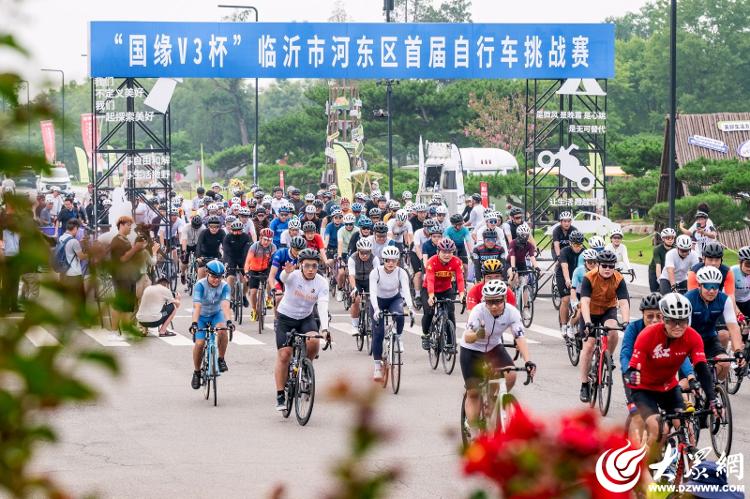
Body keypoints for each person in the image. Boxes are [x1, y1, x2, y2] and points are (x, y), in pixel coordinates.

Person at [625, 293, 718, 452]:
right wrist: (632, 373)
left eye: (682, 321)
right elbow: (633, 365)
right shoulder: (647, 335)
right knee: (660, 428)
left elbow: (701, 368)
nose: (677, 326)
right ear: (664, 319)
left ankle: (684, 463)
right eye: (672, 321)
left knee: (685, 427)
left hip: (669, 388)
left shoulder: (693, 337)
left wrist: (712, 399)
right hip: (644, 389)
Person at [461, 280, 536, 433]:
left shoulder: (512, 312)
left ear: (504, 299)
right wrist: (476, 335)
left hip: (493, 348)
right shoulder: (478, 311)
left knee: (510, 375)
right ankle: (472, 425)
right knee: (473, 392)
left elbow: (520, 337)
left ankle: (495, 400)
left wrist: (528, 361)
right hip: (471, 350)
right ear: (485, 301)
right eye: (489, 302)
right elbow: (467, 336)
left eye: (497, 301)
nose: (494, 306)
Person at [618, 292, 692, 443]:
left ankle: (666, 441)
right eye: (649, 316)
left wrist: (690, 375)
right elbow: (625, 353)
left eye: (659, 316)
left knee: (674, 416)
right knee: (643, 417)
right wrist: (628, 372)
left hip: (662, 378)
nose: (654, 320)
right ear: (642, 315)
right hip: (637, 376)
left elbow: (683, 357)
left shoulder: (669, 330)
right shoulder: (634, 328)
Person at [273, 248, 330, 411]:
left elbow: (323, 305)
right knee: (284, 355)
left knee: (314, 341)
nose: (311, 269)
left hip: (306, 318)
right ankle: (279, 395)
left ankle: (306, 367)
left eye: (314, 266)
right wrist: (286, 272)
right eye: (307, 266)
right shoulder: (293, 275)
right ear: (301, 265)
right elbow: (284, 278)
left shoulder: (321, 282)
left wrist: (325, 329)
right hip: (285, 318)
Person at [578, 250, 630, 403]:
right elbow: (585, 302)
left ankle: (608, 357)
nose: (608, 268)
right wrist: (587, 322)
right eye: (605, 265)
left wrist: (626, 321)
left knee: (613, 330)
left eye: (611, 266)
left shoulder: (619, 279)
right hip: (590, 312)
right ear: (598, 265)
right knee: (588, 346)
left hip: (608, 310)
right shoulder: (589, 278)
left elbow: (623, 302)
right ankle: (584, 384)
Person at [685, 266, 744, 381]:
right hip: (691, 341)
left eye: (715, 286)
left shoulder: (724, 299)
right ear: (700, 285)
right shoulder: (688, 299)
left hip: (710, 339)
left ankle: (714, 386)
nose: (711, 291)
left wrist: (737, 350)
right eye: (707, 286)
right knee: (687, 383)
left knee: (725, 364)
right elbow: (685, 330)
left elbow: (733, 327)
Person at [370, 246, 415, 381]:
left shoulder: (401, 272)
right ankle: (377, 367)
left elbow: (406, 290)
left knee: (400, 315)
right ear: (384, 260)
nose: (391, 264)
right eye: (388, 261)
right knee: (378, 333)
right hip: (378, 301)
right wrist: (376, 309)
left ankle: (398, 337)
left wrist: (411, 307)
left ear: (397, 261)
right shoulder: (375, 272)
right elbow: (372, 292)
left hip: (394, 299)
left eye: (394, 261)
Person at [189, 260, 234, 389]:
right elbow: (197, 306)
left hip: (216, 314)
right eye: (214, 277)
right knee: (199, 343)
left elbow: (225, 305)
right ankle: (197, 372)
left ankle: (221, 359)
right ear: (207, 274)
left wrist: (229, 321)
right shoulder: (200, 285)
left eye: (219, 277)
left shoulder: (225, 286)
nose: (216, 280)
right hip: (201, 315)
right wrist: (194, 323)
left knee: (222, 330)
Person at [421, 238, 465, 350]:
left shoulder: (456, 261)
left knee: (450, 313)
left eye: (450, 252)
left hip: (446, 289)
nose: (447, 255)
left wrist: (461, 294)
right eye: (444, 252)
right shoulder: (432, 261)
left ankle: (451, 342)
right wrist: (431, 296)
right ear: (438, 252)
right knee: (429, 312)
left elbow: (460, 279)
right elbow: (430, 280)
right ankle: (426, 335)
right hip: (430, 289)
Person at [109, 216, 148, 330]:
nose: (130, 227)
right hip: (121, 277)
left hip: (129, 277)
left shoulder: (125, 240)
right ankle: (114, 330)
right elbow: (122, 259)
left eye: (131, 225)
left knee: (128, 306)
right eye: (128, 225)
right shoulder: (117, 241)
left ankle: (125, 329)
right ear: (121, 225)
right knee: (120, 305)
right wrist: (136, 248)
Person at [347, 238, 380, 334]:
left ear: (370, 251)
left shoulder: (375, 259)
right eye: (362, 253)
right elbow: (351, 276)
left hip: (369, 280)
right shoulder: (352, 259)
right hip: (356, 281)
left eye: (367, 253)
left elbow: (378, 275)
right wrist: (354, 289)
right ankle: (354, 325)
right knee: (356, 299)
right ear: (358, 251)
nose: (365, 255)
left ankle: (372, 320)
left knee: (374, 299)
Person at [565, 249, 599, 338]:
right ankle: (570, 325)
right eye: (590, 262)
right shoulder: (578, 271)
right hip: (578, 294)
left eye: (595, 262)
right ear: (585, 262)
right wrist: (575, 301)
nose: (592, 264)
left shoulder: (599, 270)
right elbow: (573, 289)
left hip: (592, 295)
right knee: (580, 312)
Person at [244, 227, 277, 321]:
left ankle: (269, 299)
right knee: (253, 292)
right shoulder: (254, 246)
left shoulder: (273, 247)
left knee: (271, 280)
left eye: (269, 240)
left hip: (266, 269)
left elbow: (275, 261)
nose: (267, 242)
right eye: (265, 239)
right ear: (260, 238)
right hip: (254, 269)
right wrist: (246, 272)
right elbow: (247, 261)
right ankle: (254, 310)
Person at [556, 230, 585, 335]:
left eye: (580, 245)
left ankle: (575, 322)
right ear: (570, 243)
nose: (578, 247)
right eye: (575, 245)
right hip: (564, 275)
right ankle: (564, 325)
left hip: (578, 275)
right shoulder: (564, 251)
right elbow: (565, 267)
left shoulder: (584, 251)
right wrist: (568, 280)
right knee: (566, 299)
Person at [268, 235, 306, 304]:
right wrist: (273, 288)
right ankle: (277, 315)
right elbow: (272, 275)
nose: (298, 252)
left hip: (291, 279)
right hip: (277, 278)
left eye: (300, 250)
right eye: (296, 249)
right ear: (291, 247)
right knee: (278, 297)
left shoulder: (303, 256)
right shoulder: (281, 253)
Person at [222, 220, 252, 308]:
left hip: (243, 258)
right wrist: (227, 264)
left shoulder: (246, 237)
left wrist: (247, 264)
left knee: (246, 279)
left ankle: (243, 295)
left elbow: (248, 250)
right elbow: (226, 251)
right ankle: (231, 297)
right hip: (231, 258)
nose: (237, 232)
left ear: (242, 230)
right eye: (235, 230)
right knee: (230, 277)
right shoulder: (227, 237)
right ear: (231, 230)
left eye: (239, 230)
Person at [58, 218, 87, 299]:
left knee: (68, 298)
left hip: (64, 273)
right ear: (75, 228)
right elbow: (81, 257)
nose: (78, 232)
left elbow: (68, 250)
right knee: (81, 299)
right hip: (74, 274)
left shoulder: (61, 238)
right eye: (77, 230)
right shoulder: (74, 241)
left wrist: (79, 243)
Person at [506, 223, 539, 290]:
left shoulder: (529, 245)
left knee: (524, 283)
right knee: (514, 276)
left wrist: (536, 267)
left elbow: (532, 257)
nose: (525, 237)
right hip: (510, 262)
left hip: (521, 263)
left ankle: (524, 299)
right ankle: (509, 293)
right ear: (518, 234)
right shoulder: (513, 243)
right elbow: (512, 256)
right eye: (523, 235)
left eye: (526, 235)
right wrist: (513, 267)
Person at [195, 216, 225, 280]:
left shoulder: (222, 232)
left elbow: (225, 246)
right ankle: (200, 285)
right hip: (204, 255)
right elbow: (199, 245)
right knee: (202, 269)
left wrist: (225, 257)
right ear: (208, 226)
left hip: (216, 255)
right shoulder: (204, 232)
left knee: (220, 272)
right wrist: (198, 257)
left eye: (216, 227)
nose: (214, 229)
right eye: (211, 226)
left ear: (219, 227)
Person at [648, 228, 675, 293]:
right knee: (655, 293)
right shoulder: (657, 249)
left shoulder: (675, 249)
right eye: (668, 238)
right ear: (663, 239)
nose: (670, 240)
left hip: (668, 271)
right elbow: (658, 266)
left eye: (672, 238)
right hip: (654, 271)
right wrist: (660, 281)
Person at [180, 215, 204, 284]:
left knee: (200, 260)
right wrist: (184, 251)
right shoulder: (186, 227)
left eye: (197, 226)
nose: (196, 228)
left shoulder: (203, 228)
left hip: (197, 245)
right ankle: (183, 273)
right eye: (194, 226)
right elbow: (184, 240)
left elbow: (203, 241)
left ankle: (198, 273)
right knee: (184, 261)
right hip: (187, 244)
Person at [732, 246, 750, 319]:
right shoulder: (732, 272)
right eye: (747, 264)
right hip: (734, 301)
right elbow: (730, 296)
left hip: (747, 301)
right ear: (740, 262)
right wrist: (738, 313)